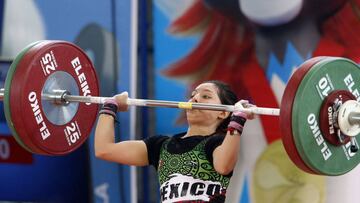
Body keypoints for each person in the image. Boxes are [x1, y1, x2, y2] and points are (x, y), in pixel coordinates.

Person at [94, 80, 255, 202]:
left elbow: (224, 166)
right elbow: (104, 149)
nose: (195, 98)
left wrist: (238, 120)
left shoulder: (217, 142)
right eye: (193, 95)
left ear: (223, 113)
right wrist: (110, 106)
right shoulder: (160, 146)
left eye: (205, 96)